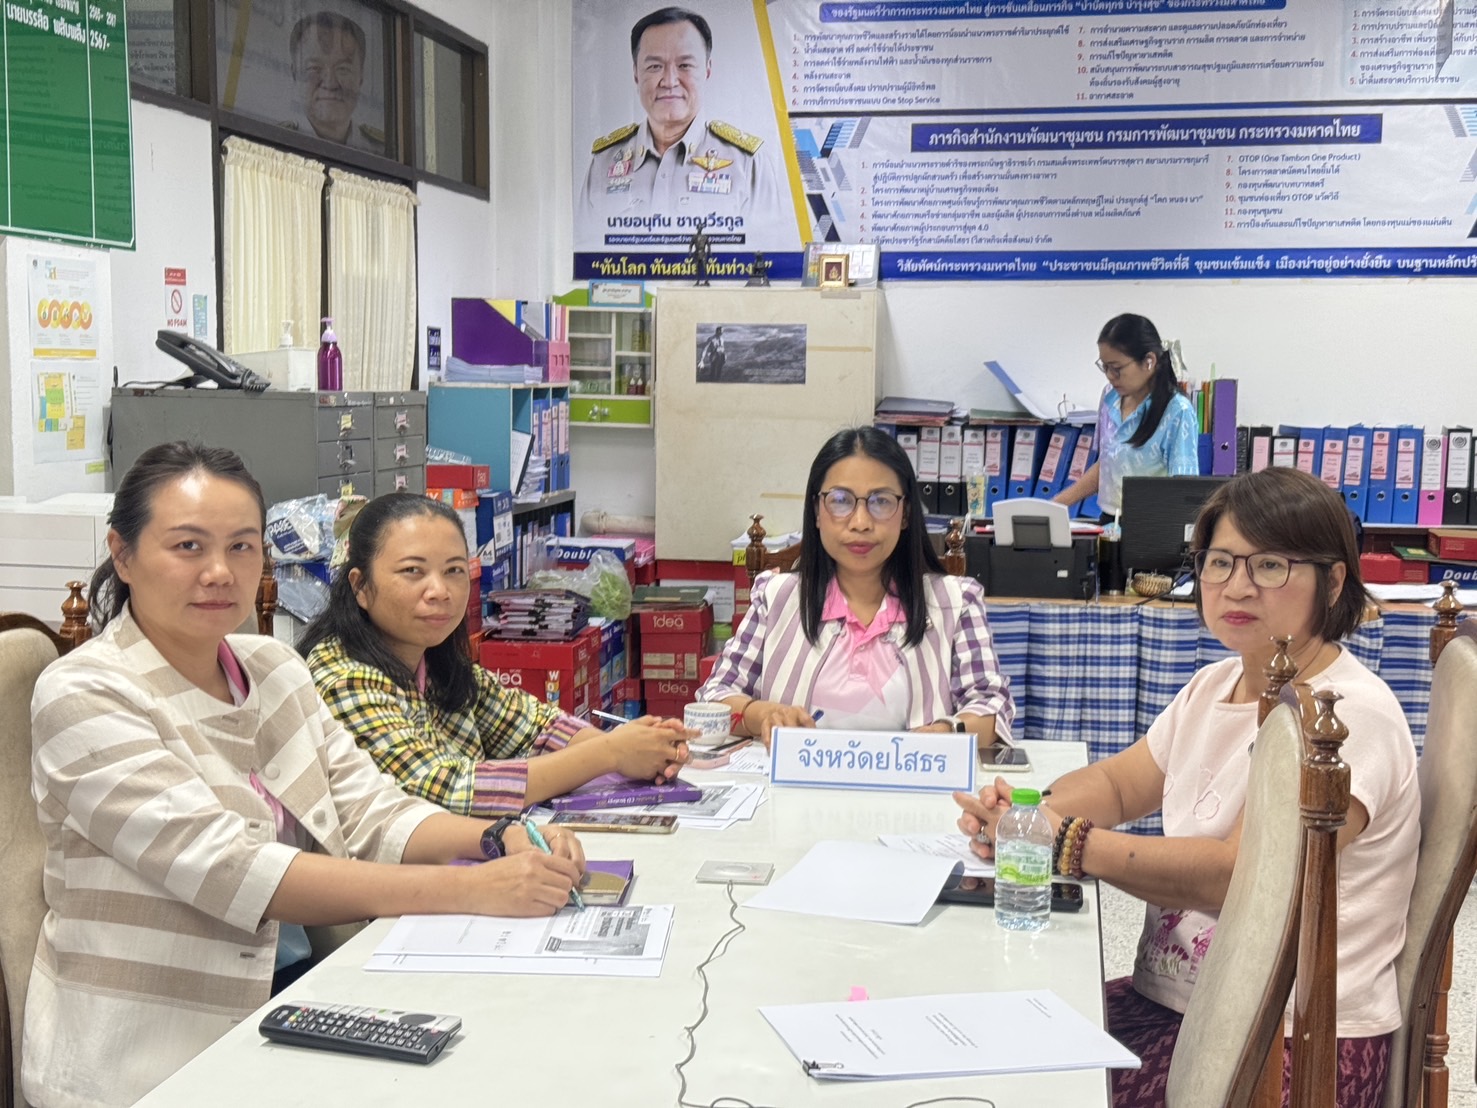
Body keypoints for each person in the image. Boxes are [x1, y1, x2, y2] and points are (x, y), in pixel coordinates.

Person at [23, 444, 585, 1108]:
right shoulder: (85, 693)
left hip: (302, 998)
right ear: (122, 553)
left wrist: (495, 838)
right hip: (154, 1058)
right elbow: (236, 871)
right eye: (186, 547)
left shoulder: (272, 667)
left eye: (242, 547)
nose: (219, 572)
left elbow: (370, 810)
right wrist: (476, 891)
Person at [955, 466, 1419, 1107]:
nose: (1238, 586)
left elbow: (1241, 876)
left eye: (1271, 566)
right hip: (1182, 1002)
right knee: (985, 1044)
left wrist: (1068, 844)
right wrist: (1031, 813)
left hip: (1293, 1041)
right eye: (1220, 562)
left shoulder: (1345, 717)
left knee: (1039, 1091)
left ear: (1333, 579)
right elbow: (1121, 784)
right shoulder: (1216, 684)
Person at [301, 493, 693, 815]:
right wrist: (610, 752)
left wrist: (641, 749)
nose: (440, 591)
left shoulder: (432, 659)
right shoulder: (341, 677)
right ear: (360, 586)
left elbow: (533, 724)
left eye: (454, 570)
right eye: (412, 572)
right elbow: (446, 791)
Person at [697, 426, 1014, 746]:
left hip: (913, 789)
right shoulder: (777, 597)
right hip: (798, 792)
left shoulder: (955, 602)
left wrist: (947, 732)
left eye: (881, 501)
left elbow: (993, 706)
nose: (860, 521)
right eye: (840, 500)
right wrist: (763, 715)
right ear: (817, 511)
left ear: (905, 514)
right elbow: (715, 697)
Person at [577, 6, 786, 250]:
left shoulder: (749, 163)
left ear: (707, 69)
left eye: (685, 65)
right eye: (654, 66)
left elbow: (768, 258)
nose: (669, 81)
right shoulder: (604, 163)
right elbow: (587, 249)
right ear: (635, 73)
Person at [1054, 313, 1199, 520]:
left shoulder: (1177, 411)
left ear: (1149, 361)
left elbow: (1182, 490)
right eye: (1105, 367)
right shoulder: (1109, 397)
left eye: (1117, 368)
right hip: (1108, 521)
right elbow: (1107, 465)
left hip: (1151, 526)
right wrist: (1055, 505)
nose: (1110, 376)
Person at [279, 11, 385, 153]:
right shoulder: (272, 150)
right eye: (314, 68)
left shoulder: (383, 152)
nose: (330, 83)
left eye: (343, 69)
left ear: (360, 77)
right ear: (294, 75)